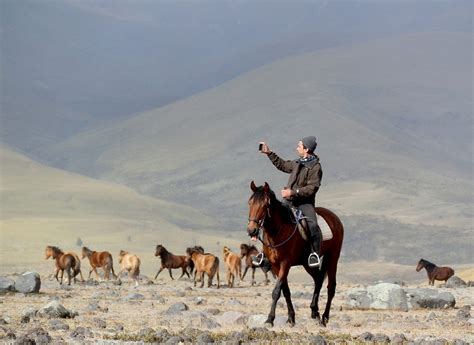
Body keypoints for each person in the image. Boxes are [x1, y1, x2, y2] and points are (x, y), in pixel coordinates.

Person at [257, 136, 323, 268]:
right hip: (289, 202)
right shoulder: (297, 162)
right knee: (270, 218)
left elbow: (312, 188)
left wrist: (293, 192)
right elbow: (282, 165)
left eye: (299, 145)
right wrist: (269, 153)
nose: (297, 147)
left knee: (313, 226)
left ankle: (314, 254)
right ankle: (265, 254)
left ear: (307, 149)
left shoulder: (316, 167)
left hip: (305, 203)